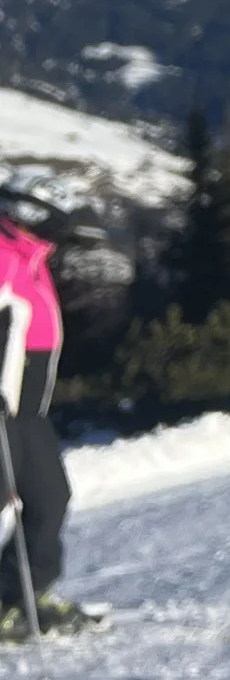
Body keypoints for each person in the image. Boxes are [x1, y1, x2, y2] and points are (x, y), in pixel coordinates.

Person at [0, 216, 97, 639]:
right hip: (4, 406)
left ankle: (19, 596)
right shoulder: (4, 255)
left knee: (49, 497)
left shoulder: (31, 257)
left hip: (28, 410)